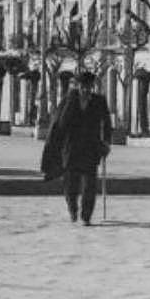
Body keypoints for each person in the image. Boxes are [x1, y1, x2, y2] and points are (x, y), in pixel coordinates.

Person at [41, 71, 112, 225]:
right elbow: (58, 124)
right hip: (71, 148)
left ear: (92, 87)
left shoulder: (99, 101)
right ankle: (73, 209)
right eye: (83, 87)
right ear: (78, 86)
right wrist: (55, 146)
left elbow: (106, 123)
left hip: (91, 148)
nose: (86, 90)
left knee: (89, 185)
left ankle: (86, 216)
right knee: (70, 184)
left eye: (89, 87)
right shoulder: (69, 100)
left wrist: (106, 142)